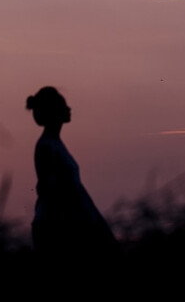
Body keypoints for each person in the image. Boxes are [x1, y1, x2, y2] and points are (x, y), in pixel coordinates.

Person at [26, 86, 117, 258]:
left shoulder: (54, 144)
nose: (69, 109)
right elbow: (53, 191)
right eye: (63, 105)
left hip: (67, 221)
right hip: (57, 225)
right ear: (53, 112)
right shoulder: (47, 147)